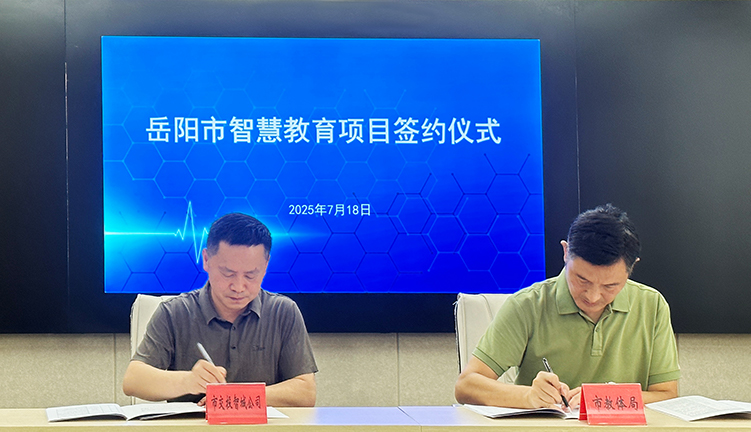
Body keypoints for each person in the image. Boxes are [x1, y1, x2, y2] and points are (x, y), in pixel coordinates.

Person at [455, 204, 679, 410]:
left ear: (632, 268)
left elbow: (667, 394)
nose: (593, 296)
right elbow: (466, 386)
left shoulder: (652, 305)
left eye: (610, 286)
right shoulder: (528, 305)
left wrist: (604, 398)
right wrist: (528, 396)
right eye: (582, 280)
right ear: (565, 252)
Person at [123, 213, 318, 406]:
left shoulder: (283, 312)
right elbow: (133, 380)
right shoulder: (175, 312)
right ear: (206, 259)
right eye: (228, 273)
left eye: (250, 275)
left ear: (266, 266)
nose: (238, 287)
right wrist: (188, 381)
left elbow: (305, 392)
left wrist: (234, 396)